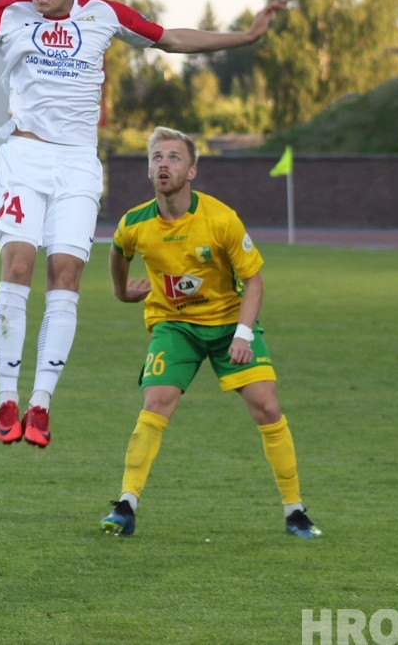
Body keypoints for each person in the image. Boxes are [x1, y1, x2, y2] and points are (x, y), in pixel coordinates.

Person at [0, 0, 285, 448]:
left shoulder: (104, 16)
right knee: (18, 265)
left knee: (65, 275)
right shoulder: (5, 12)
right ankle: (6, 398)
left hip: (77, 165)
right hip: (24, 157)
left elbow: (170, 38)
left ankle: (40, 404)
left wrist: (245, 36)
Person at [98, 126, 320, 539]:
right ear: (149, 169)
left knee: (267, 407)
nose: (164, 164)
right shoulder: (135, 223)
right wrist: (122, 293)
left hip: (227, 324)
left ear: (192, 170)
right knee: (157, 400)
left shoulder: (221, 219)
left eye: (174, 157)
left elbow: (254, 281)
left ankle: (295, 511)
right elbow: (117, 251)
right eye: (157, 157)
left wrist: (242, 334)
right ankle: (126, 505)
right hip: (175, 326)